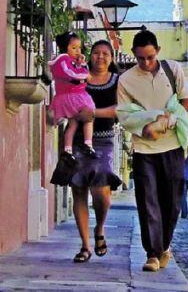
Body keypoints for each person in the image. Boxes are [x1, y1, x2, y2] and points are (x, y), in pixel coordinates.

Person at [117, 30, 188, 273]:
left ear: (158, 51)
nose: (146, 63)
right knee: (148, 201)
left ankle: (164, 246)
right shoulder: (126, 80)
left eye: (150, 57)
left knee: (172, 202)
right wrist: (149, 122)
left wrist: (166, 122)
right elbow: (125, 115)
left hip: (173, 146)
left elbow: (185, 103)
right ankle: (151, 254)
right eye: (140, 59)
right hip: (144, 148)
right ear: (134, 56)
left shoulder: (173, 70)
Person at [70, 40, 123, 263]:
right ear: (90, 56)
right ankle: (85, 246)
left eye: (105, 53)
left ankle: (99, 228)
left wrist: (91, 113)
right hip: (77, 140)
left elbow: (119, 110)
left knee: (101, 193)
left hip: (104, 142)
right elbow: (68, 96)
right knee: (79, 190)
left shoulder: (117, 81)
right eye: (96, 53)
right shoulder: (79, 75)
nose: (100, 56)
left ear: (111, 58)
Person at [50, 32, 97, 159]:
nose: (78, 51)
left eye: (79, 48)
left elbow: (73, 70)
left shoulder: (67, 60)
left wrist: (79, 64)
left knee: (73, 124)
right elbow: (71, 73)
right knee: (89, 117)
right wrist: (84, 73)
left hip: (68, 96)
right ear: (65, 47)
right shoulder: (63, 59)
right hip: (73, 96)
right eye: (74, 48)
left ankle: (68, 150)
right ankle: (88, 143)